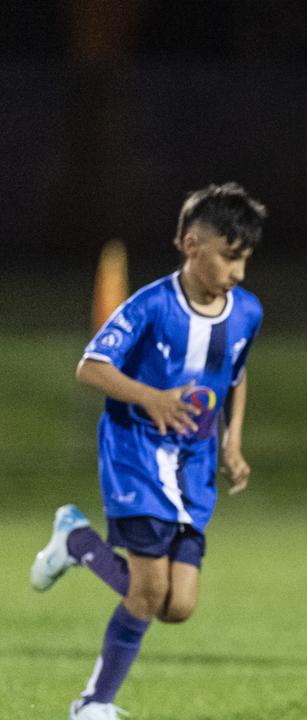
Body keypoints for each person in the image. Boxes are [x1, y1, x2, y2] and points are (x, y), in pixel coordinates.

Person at [29, 183, 267, 720]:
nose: (239, 272)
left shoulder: (247, 311)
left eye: (245, 259)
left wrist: (233, 438)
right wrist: (151, 398)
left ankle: (78, 541)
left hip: (195, 464)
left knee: (177, 606)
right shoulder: (153, 305)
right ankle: (93, 704)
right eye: (230, 258)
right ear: (190, 244)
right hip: (135, 452)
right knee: (148, 589)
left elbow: (236, 372)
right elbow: (91, 366)